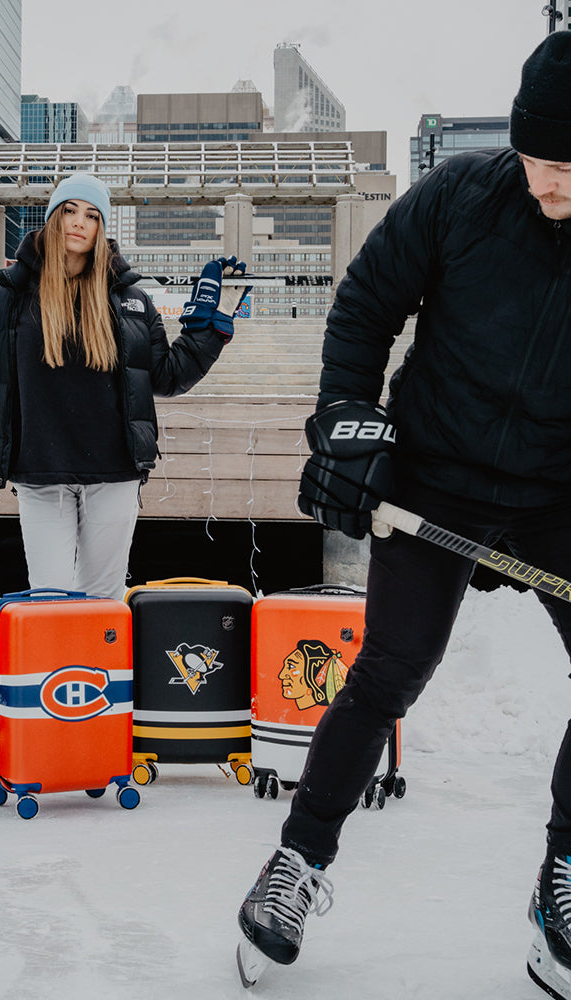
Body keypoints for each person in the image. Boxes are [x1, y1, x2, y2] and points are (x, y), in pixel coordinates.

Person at [235, 31, 571, 998]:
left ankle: (564, 873)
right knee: (391, 667)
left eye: (569, 166)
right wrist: (347, 416)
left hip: (558, 487)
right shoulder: (462, 195)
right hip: (436, 472)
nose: (548, 181)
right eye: (537, 159)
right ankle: (298, 860)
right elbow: (367, 303)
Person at [0, 172, 243, 598]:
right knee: (50, 598)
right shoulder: (9, 296)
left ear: (102, 228)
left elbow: (168, 377)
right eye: (69, 211)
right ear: (52, 218)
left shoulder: (130, 300)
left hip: (114, 473)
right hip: (39, 471)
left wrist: (211, 327)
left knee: (103, 599)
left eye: (92, 215)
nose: (79, 222)